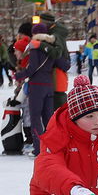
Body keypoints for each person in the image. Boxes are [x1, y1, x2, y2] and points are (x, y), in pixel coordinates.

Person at [16, 23, 71, 156]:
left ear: (35, 34)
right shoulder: (51, 48)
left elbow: (32, 68)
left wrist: (18, 75)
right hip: (49, 88)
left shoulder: (35, 47)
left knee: (35, 119)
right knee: (48, 119)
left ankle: (38, 149)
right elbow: (64, 64)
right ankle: (51, 147)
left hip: (37, 88)